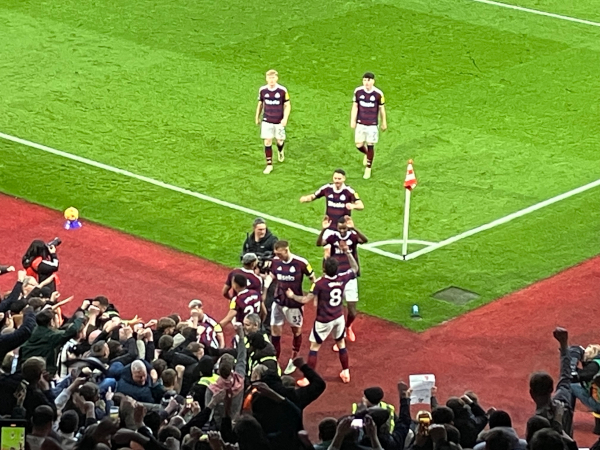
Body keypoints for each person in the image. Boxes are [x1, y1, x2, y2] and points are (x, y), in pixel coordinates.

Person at [286, 240, 358, 383]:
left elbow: (306, 299)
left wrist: (292, 296)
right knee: (341, 344)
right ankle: (346, 372)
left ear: (324, 268)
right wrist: (348, 252)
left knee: (314, 347)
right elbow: (355, 268)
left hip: (324, 320)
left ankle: (308, 378)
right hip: (338, 317)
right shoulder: (342, 278)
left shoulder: (319, 283)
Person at [265, 240, 315, 376]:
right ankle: (275, 361)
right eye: (276, 254)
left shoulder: (301, 263)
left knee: (296, 331)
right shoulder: (275, 262)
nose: (277, 256)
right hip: (278, 302)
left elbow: (313, 280)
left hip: (294, 305)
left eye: (279, 254)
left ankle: (294, 358)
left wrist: (309, 296)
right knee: (275, 331)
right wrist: (265, 287)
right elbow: (272, 275)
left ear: (286, 250)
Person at [317, 215, 367, 345]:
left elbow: (364, 240)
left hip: (350, 276)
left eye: (344, 228)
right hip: (336, 276)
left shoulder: (352, 236)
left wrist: (354, 228)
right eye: (340, 228)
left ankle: (348, 326)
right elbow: (319, 243)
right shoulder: (333, 237)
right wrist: (323, 230)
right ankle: (339, 337)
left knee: (352, 311)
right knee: (336, 308)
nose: (342, 231)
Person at [529, 327, 574, 437]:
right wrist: (564, 345)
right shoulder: (562, 403)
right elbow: (566, 375)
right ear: (551, 389)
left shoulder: (535, 422)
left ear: (531, 393)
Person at [300, 169, 364, 231]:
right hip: (329, 226)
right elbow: (314, 196)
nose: (337, 181)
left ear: (344, 179)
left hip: (343, 227)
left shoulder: (349, 191)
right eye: (335, 178)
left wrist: (353, 206)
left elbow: (361, 206)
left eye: (339, 179)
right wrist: (306, 198)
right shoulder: (327, 188)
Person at [351, 72, 387, 179]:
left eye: (368, 80)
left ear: (373, 81)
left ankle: (368, 168)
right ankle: (367, 154)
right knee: (358, 144)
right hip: (360, 122)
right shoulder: (358, 91)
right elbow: (355, 106)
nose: (366, 83)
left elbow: (382, 109)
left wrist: (384, 122)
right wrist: (353, 120)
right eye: (364, 80)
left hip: (372, 124)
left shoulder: (378, 94)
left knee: (370, 144)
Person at [255, 69, 291, 174]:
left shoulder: (282, 90)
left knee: (280, 140)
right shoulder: (262, 90)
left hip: (279, 121)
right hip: (267, 120)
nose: (271, 80)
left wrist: (285, 118)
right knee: (267, 141)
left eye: (273, 77)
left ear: (277, 78)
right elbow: (260, 104)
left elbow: (287, 105)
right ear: (266, 79)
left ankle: (280, 151)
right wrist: (257, 117)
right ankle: (269, 165)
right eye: (269, 78)